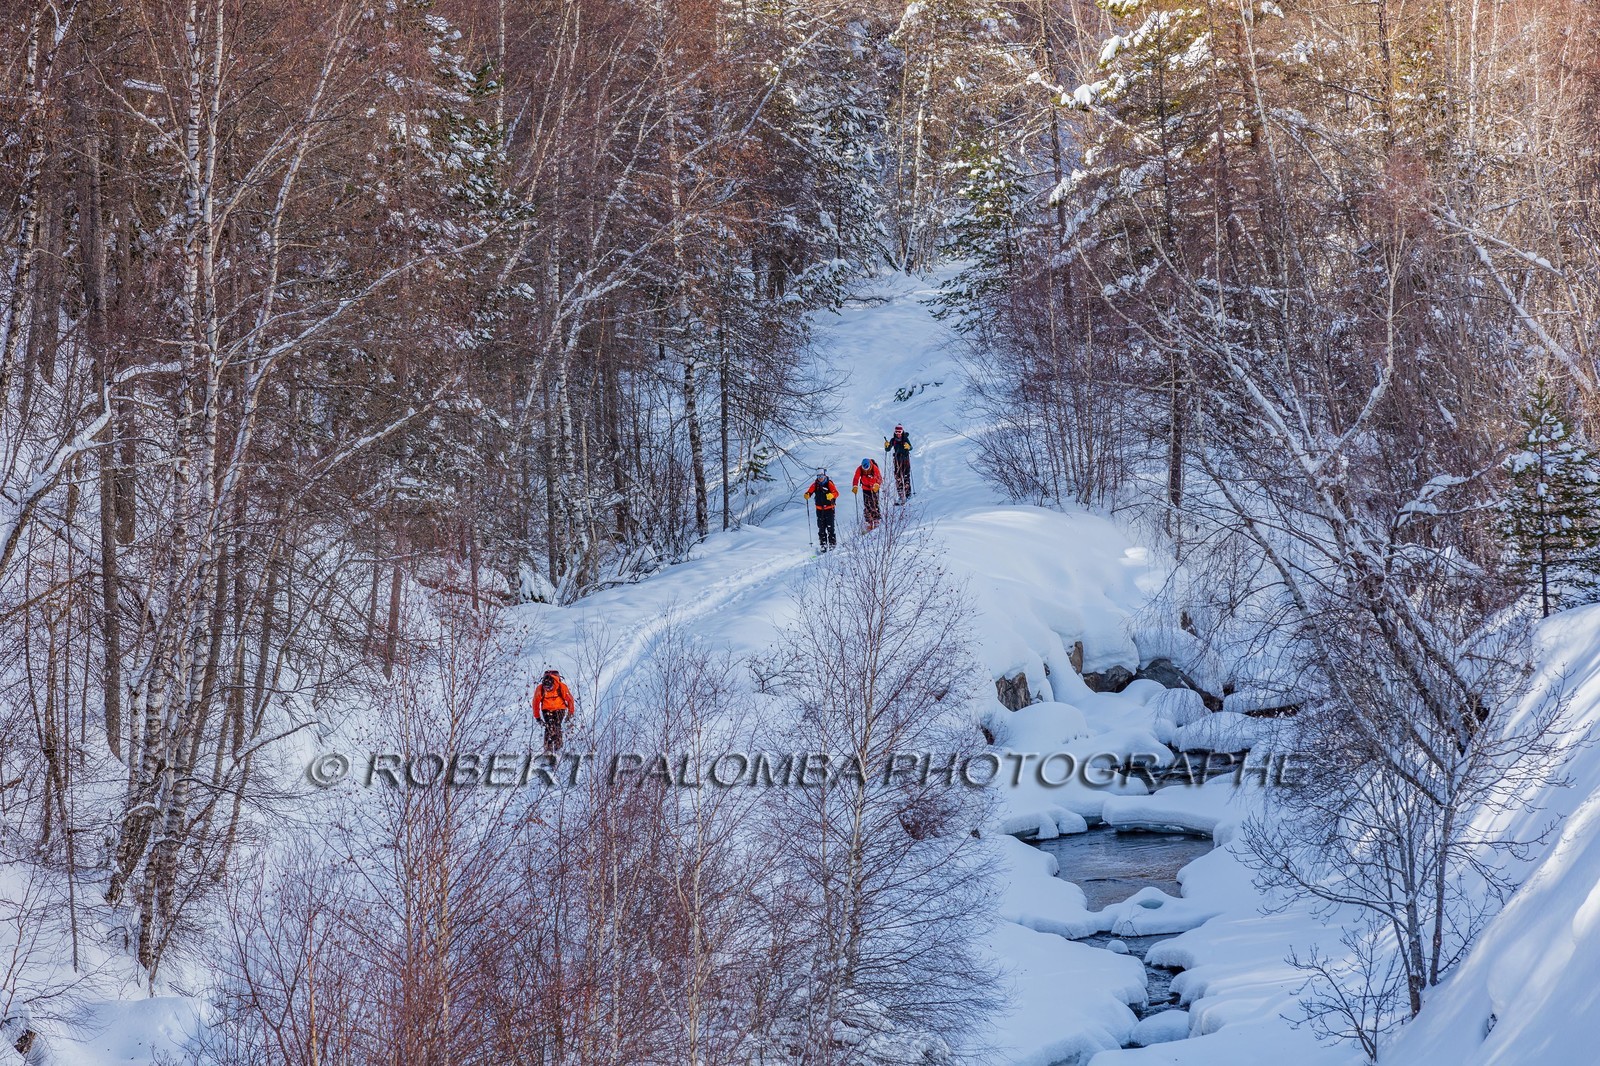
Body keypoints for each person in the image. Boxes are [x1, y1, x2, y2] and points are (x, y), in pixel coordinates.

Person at [533, 668, 575, 752]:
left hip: (560, 708)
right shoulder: (540, 689)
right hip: (546, 709)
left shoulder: (561, 686)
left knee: (556, 726)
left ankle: (558, 747)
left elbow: (570, 699)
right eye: (546, 688)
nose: (548, 689)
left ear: (553, 683)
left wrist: (570, 712)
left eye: (550, 688)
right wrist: (537, 717)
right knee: (548, 727)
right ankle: (548, 749)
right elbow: (535, 703)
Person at [804, 469, 840, 550]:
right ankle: (823, 544)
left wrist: (831, 495)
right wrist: (807, 495)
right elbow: (809, 492)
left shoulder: (829, 483)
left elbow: (836, 493)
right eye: (818, 476)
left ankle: (832, 544)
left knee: (830, 527)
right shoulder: (815, 484)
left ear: (825, 475)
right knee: (821, 527)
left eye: (822, 476)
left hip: (829, 508)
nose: (820, 478)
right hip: (819, 509)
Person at [884, 424, 913, 503]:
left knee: (906, 476)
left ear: (902, 431)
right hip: (897, 460)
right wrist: (886, 446)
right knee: (898, 478)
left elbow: (911, 447)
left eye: (899, 432)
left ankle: (908, 494)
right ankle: (901, 495)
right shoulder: (893, 440)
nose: (898, 434)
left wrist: (908, 447)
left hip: (905, 460)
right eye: (896, 432)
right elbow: (888, 449)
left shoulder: (905, 439)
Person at [852, 457, 882, 531]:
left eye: (867, 467)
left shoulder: (874, 468)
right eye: (864, 468)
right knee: (867, 504)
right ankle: (868, 521)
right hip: (865, 488)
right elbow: (856, 478)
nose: (866, 469)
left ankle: (876, 519)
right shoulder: (859, 469)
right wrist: (855, 486)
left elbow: (879, 477)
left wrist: (877, 484)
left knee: (875, 503)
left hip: (874, 488)